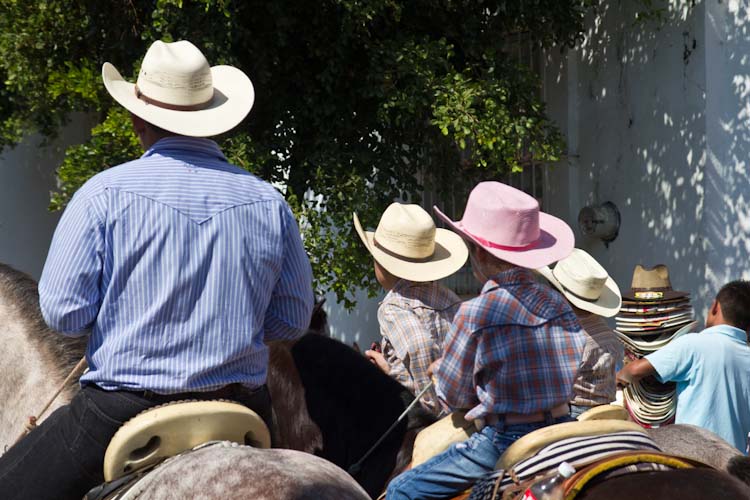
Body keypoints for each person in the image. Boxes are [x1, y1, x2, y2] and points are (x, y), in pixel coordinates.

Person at [0, 40, 314, 499]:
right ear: (211, 120)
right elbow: (291, 321)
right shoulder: (269, 202)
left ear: (136, 117)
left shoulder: (101, 195)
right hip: (241, 408)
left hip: (122, 412)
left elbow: (64, 315)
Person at [386, 181, 586, 499]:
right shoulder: (558, 303)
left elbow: (454, 397)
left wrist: (440, 372)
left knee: (401, 490)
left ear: (479, 251)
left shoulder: (476, 313)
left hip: (507, 438)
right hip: (565, 425)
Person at [353, 203, 467, 416]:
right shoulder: (449, 297)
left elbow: (419, 346)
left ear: (383, 264)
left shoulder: (393, 306)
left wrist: (389, 371)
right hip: (461, 405)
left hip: (425, 413)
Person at [616, 280, 750, 454]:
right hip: (734, 458)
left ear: (715, 307)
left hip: (693, 454)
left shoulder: (694, 344)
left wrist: (618, 378)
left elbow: (635, 370)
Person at [538, 248, 624, 419]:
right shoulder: (605, 331)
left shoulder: (566, 336)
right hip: (605, 411)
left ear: (557, 294)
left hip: (572, 414)